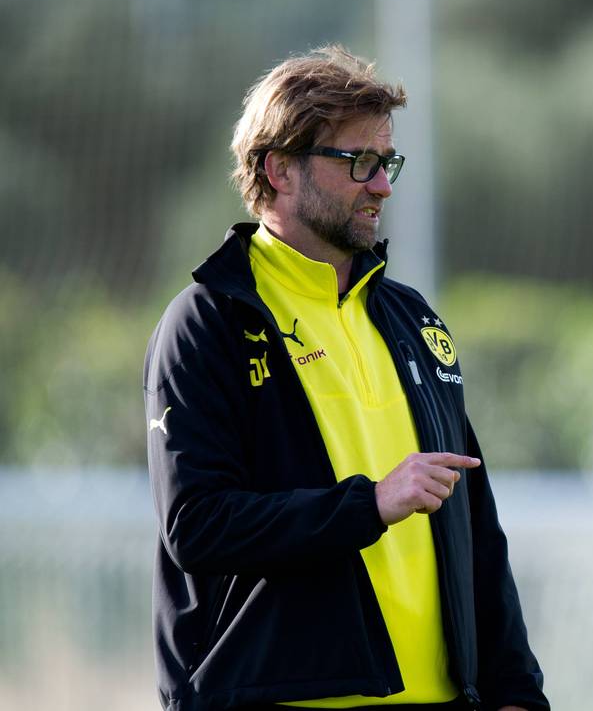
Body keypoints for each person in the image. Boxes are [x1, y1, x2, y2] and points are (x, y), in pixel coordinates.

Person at [143, 45, 547, 711]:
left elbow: (476, 529)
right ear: (279, 170)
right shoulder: (209, 321)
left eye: (386, 162)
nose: (382, 185)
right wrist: (369, 504)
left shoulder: (412, 319)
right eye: (358, 162)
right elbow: (198, 525)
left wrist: (516, 688)